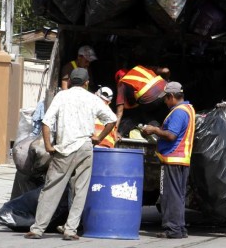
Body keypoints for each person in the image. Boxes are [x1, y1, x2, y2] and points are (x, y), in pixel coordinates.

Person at [24, 68, 117, 241]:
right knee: (80, 189)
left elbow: (46, 122)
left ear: (71, 81)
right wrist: (98, 138)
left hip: (64, 148)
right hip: (84, 147)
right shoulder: (93, 99)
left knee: (52, 188)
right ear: (86, 82)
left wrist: (48, 145)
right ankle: (70, 230)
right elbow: (112, 119)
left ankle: (37, 229)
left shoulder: (62, 96)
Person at [141, 82, 195, 239]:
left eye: (165, 98)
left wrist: (154, 130)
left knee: (169, 196)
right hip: (182, 159)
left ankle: (172, 229)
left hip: (172, 158)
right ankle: (179, 228)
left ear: (172, 96)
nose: (164, 102)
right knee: (178, 195)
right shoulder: (189, 109)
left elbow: (171, 135)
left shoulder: (178, 112)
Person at [114, 65, 168, 137]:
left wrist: (114, 131)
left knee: (139, 112)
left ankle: (121, 133)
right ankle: (158, 131)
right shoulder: (139, 69)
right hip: (166, 91)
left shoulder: (122, 82)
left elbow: (119, 112)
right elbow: (166, 70)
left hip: (151, 99)